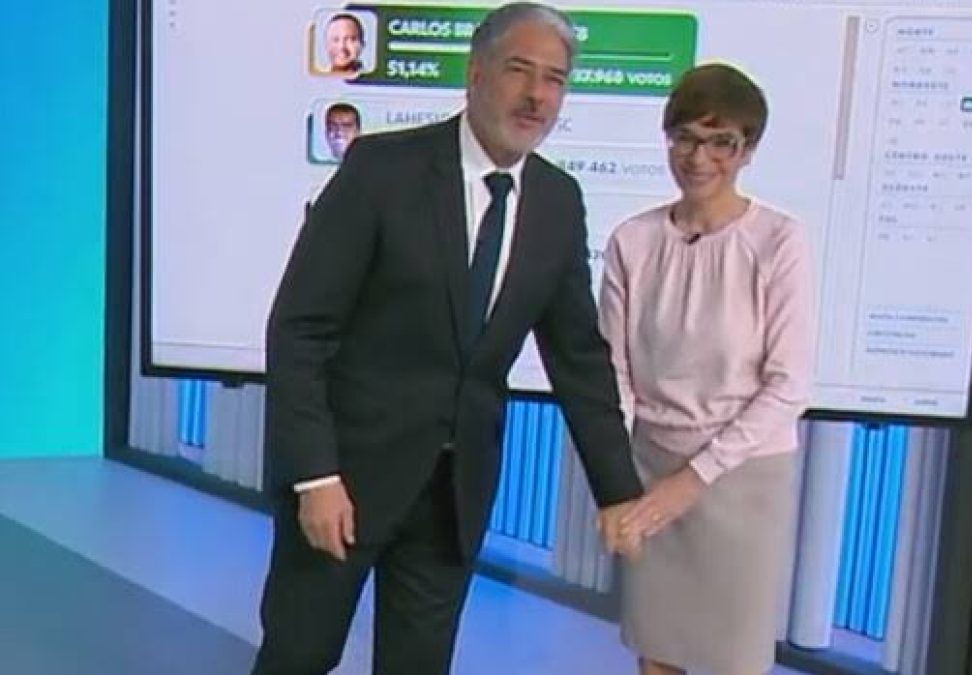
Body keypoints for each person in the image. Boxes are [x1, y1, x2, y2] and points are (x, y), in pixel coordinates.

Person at [254, 4, 652, 674]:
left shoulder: (557, 201)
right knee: (299, 656)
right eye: (519, 70)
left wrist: (617, 489)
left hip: (453, 496)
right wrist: (315, 475)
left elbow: (579, 358)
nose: (536, 95)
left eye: (554, 79)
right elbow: (299, 328)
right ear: (475, 74)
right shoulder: (383, 169)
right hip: (345, 478)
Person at [599, 63, 816, 675]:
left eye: (722, 142)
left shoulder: (779, 240)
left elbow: (788, 384)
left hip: (743, 477)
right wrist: (619, 484)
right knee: (658, 653)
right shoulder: (632, 240)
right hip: (650, 467)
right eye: (686, 138)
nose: (700, 158)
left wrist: (693, 481)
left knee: (733, 661)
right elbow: (612, 373)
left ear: (748, 150)